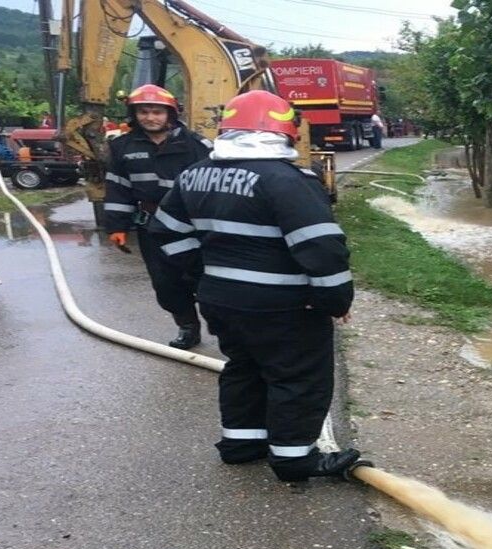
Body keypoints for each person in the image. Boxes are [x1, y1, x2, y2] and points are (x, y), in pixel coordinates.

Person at [148, 89, 368, 482]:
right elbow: (322, 248)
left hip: (221, 301)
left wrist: (203, 274)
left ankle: (241, 444)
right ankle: (294, 458)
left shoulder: (194, 174)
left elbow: (165, 230)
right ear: (284, 132)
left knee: (244, 368)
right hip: (284, 307)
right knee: (296, 378)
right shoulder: (289, 180)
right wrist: (335, 301)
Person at [104, 84, 212, 349]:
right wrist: (117, 226)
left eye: (156, 112)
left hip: (192, 224)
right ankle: (187, 327)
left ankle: (225, 328)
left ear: (170, 114)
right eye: (143, 111)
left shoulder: (196, 145)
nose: (150, 117)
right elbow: (118, 187)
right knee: (166, 283)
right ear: (134, 114)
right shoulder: (122, 147)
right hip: (152, 223)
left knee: (207, 277)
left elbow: (212, 186)